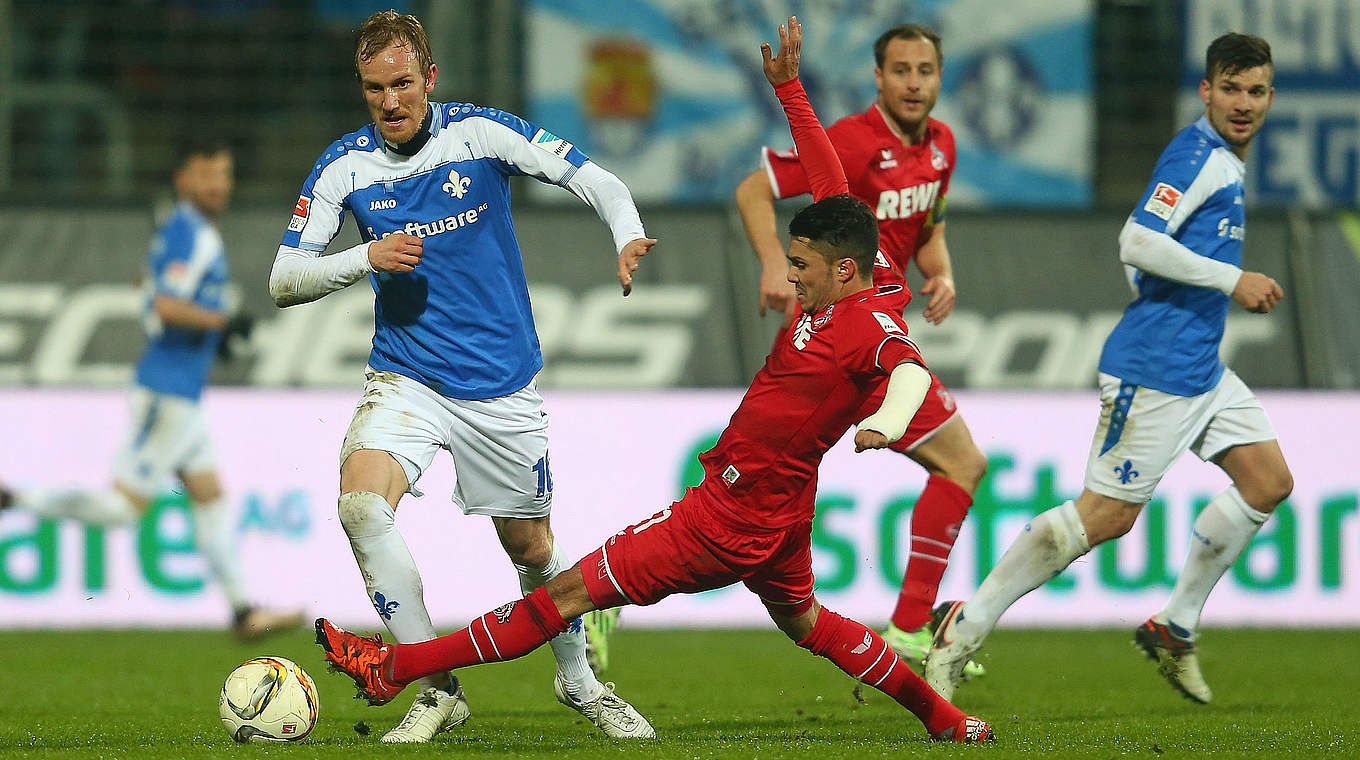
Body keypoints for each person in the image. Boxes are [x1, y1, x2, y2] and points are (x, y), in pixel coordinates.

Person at [312, 18, 993, 744]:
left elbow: (909, 372)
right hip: (785, 513)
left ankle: (397, 670)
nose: (790, 278)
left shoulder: (869, 327)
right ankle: (949, 722)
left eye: (799, 269)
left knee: (564, 596)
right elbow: (833, 190)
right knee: (812, 624)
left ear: (841, 271)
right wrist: (790, 90)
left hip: (727, 518)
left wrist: (889, 423)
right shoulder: (869, 276)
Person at [266, 11, 657, 743]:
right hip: (406, 379)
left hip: (501, 386)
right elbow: (283, 279)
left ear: (431, 78)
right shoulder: (343, 167)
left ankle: (580, 682)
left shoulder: (478, 133)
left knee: (532, 549)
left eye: (403, 84)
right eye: (374, 88)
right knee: (360, 506)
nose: (390, 102)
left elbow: (591, 176)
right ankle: (434, 684)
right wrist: (364, 259)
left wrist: (627, 230)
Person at [926, 32, 1288, 706]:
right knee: (1105, 516)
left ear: (1269, 96)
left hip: (1200, 366)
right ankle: (961, 628)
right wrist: (1231, 279)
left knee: (1267, 481)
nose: (1244, 103)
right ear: (1206, 91)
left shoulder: (1224, 164)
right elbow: (1136, 239)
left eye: (1256, 91)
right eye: (1231, 89)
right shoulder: (1199, 157)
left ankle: (1174, 626)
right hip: (1157, 368)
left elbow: (1144, 255)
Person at [734, 22, 986, 676]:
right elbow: (754, 189)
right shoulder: (850, 140)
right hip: (842, 339)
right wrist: (773, 264)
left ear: (938, 77)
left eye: (924, 71)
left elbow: (925, 227)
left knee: (753, 495)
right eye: (900, 70)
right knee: (958, 465)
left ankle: (905, 629)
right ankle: (907, 631)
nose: (913, 83)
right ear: (878, 77)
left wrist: (944, 271)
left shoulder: (941, 147)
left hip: (868, 335)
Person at [0, 140, 301, 642]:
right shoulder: (191, 233)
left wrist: (210, 332)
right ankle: (15, 498)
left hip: (182, 394)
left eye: (224, 174)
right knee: (123, 509)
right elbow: (165, 305)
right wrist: (222, 322)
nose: (218, 185)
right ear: (182, 180)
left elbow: (148, 287)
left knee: (211, 497)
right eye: (206, 174)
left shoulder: (179, 231)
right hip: (166, 395)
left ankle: (243, 611)